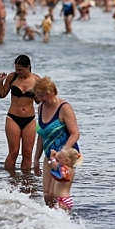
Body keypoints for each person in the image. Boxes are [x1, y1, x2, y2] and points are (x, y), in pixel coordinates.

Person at [33, 76, 80, 206]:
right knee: (47, 195)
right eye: (38, 96)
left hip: (65, 157)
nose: (39, 99)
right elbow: (42, 134)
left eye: (42, 96)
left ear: (51, 92)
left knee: (56, 194)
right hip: (50, 155)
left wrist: (62, 152)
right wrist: (36, 158)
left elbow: (75, 133)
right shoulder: (41, 107)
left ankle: (66, 223)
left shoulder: (64, 108)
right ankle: (50, 223)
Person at [0, 55, 40, 171]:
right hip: (13, 118)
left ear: (28, 67)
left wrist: (45, 91)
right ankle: (10, 179)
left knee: (27, 151)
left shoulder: (36, 79)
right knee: (14, 151)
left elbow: (38, 101)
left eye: (20, 69)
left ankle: (25, 181)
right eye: (16, 69)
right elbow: (2, 94)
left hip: (30, 119)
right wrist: (0, 82)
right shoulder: (12, 77)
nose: (18, 71)